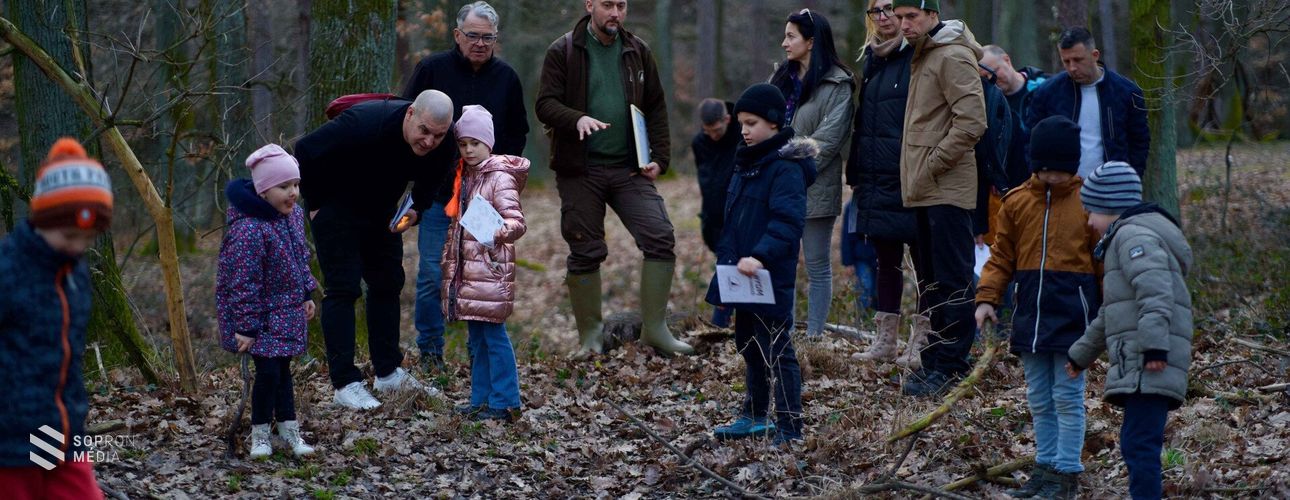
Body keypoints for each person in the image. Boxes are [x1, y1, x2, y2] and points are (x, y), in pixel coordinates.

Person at [536, 0, 694, 357]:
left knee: (659, 235)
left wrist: (660, 158)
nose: (616, 13)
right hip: (580, 169)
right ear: (589, 5)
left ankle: (655, 330)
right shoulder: (563, 50)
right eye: (608, 4)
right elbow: (545, 103)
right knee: (585, 249)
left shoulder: (637, 51)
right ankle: (591, 337)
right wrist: (575, 118)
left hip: (629, 167)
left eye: (622, 5)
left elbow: (655, 107)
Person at [296, 90, 454, 410]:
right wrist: (315, 205)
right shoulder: (365, 123)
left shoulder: (443, 142)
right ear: (410, 114)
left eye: (437, 135)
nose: (429, 141)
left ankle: (387, 372)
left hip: (382, 212)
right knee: (343, 288)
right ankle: (345, 383)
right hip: (336, 208)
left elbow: (434, 177)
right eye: (424, 131)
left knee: (387, 283)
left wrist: (417, 209)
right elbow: (305, 150)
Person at [973, 117, 1101, 498]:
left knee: (1067, 397)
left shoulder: (1088, 203)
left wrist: (1111, 316)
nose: (1054, 177)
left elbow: (1103, 264)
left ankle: (1066, 473)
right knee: (1039, 399)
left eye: (1061, 170)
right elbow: (1000, 258)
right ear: (1035, 164)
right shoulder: (1016, 203)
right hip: (1030, 316)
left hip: (1073, 317)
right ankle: (1044, 468)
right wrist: (986, 299)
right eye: (1046, 169)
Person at [401, 1, 530, 374]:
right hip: (439, 194)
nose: (479, 43)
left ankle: (481, 358)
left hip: (483, 201)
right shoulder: (432, 69)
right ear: (457, 35)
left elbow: (518, 131)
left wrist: (497, 173)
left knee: (483, 281)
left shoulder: (506, 77)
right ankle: (430, 353)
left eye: (487, 37)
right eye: (472, 36)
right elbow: (406, 117)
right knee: (429, 275)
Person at [1067, 161, 1193, 500]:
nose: (1089, 220)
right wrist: (1081, 354)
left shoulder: (1133, 236)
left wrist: (1154, 349)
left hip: (1150, 361)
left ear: (1110, 206)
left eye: (1091, 210)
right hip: (1143, 361)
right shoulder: (1128, 237)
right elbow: (1112, 312)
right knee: (1136, 443)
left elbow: (1156, 292)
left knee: (1139, 445)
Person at [0, 138, 112, 499]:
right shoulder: (9, 269)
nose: (78, 246)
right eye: (68, 235)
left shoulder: (76, 274)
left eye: (88, 238)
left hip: (61, 433)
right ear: (41, 220)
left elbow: (70, 357)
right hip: (9, 441)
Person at [706, 84, 816, 446]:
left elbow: (787, 222)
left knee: (777, 349)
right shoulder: (746, 162)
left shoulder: (786, 169)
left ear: (773, 122)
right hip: (741, 276)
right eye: (741, 123)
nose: (745, 131)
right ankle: (754, 414)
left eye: (752, 123)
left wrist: (761, 255)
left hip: (770, 275)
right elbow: (733, 219)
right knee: (749, 345)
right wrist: (728, 261)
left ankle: (789, 426)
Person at [890, 0, 987, 396]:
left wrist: (931, 164)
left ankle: (950, 365)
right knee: (930, 284)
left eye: (911, 16)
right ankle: (935, 361)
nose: (903, 24)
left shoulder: (951, 56)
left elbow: (973, 121)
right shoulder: (923, 55)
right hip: (925, 191)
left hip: (946, 189)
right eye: (899, 17)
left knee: (952, 281)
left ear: (933, 16)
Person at [216, 144, 318, 458]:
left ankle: (290, 430)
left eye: (296, 185)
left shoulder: (292, 217)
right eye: (284, 186)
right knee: (268, 374)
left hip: (287, 311)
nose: (293, 193)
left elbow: (301, 257)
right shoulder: (249, 229)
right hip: (259, 319)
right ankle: (260, 433)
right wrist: (245, 327)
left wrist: (306, 294)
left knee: (284, 372)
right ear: (262, 191)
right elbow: (243, 284)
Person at [844, 0, 926, 365]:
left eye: (889, 8)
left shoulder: (920, 53)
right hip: (877, 177)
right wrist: (857, 172)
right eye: (875, 11)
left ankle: (923, 340)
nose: (883, 17)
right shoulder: (872, 59)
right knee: (885, 261)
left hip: (913, 175)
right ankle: (885, 340)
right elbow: (865, 123)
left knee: (926, 261)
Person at [769, 8, 855, 338]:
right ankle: (784, 333)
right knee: (783, 263)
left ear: (811, 41)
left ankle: (815, 336)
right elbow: (762, 123)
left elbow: (829, 140)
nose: (784, 42)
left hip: (815, 185)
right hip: (777, 188)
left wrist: (781, 155)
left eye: (791, 36)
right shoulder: (780, 79)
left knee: (817, 265)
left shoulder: (838, 84)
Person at [440, 105, 528, 423]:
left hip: (490, 272)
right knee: (476, 339)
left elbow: (515, 219)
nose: (468, 149)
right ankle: (480, 400)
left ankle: (506, 401)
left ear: (488, 143)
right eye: (463, 144)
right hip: (470, 275)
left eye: (474, 143)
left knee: (494, 337)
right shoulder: (466, 177)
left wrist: (505, 230)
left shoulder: (498, 177)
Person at [1026, 27, 1150, 179]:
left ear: (1095, 55)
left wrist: (1130, 178)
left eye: (1078, 60)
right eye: (1066, 61)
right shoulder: (1047, 93)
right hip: (1061, 187)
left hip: (1113, 186)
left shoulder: (1126, 92)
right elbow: (1031, 140)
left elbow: (1139, 142)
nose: (1072, 67)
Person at [693, 98, 741, 328]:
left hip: (737, 217)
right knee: (727, 268)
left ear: (727, 119)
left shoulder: (742, 136)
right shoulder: (699, 144)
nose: (712, 135)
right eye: (707, 131)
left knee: (728, 268)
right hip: (712, 220)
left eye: (717, 130)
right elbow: (706, 182)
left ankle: (719, 325)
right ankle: (728, 323)